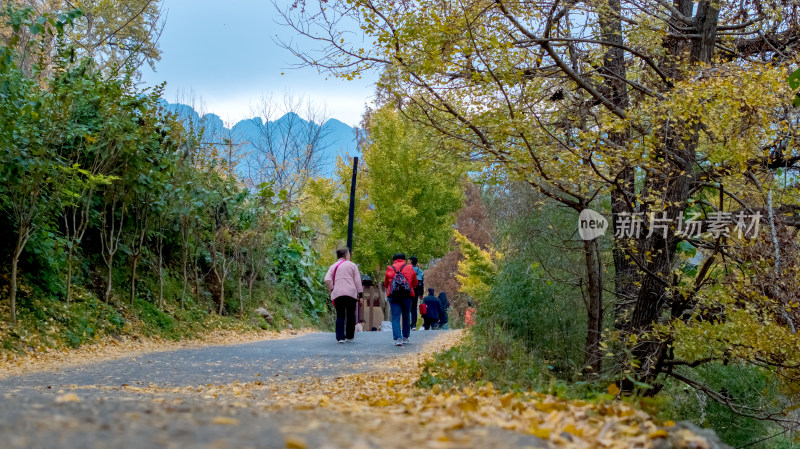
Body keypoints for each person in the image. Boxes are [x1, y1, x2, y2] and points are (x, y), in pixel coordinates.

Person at [324, 248, 363, 343]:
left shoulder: (333, 266)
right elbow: (357, 281)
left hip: (338, 294)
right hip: (351, 293)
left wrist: (332, 288)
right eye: (348, 253)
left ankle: (340, 337)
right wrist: (360, 295)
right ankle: (349, 336)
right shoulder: (352, 265)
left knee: (340, 315)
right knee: (351, 315)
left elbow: (326, 279)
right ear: (346, 255)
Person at [384, 253, 418, 346]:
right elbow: (415, 283)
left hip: (394, 295)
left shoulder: (390, 268)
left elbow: (386, 283)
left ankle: (398, 338)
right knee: (406, 315)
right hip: (407, 295)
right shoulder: (409, 268)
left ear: (394, 259)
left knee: (395, 317)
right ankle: (405, 337)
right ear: (404, 259)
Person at [409, 256, 424, 330]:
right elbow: (421, 282)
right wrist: (421, 294)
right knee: (414, 308)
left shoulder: (407, 269)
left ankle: (407, 324)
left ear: (411, 261)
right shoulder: (419, 271)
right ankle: (413, 325)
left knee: (407, 307)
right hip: (416, 291)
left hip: (408, 290)